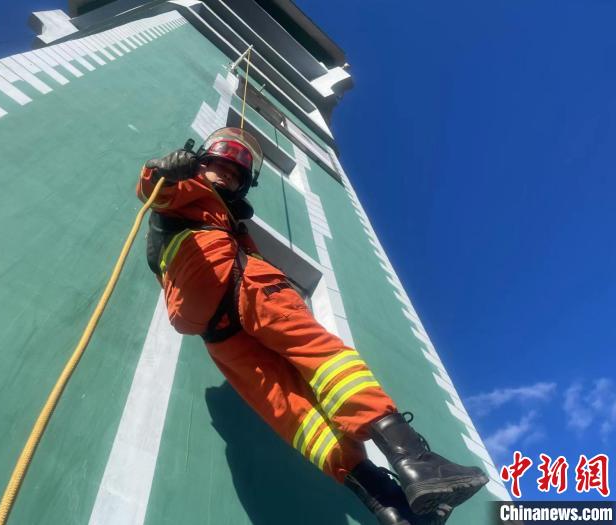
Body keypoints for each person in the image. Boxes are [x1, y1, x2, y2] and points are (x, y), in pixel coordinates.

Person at [136, 128, 488, 525]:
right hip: (243, 292)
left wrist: (166, 176)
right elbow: (156, 186)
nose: (227, 178)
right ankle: (416, 464)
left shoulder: (213, 218)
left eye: (236, 176)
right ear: (201, 162)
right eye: (221, 168)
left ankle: (389, 502)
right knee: (322, 361)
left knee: (291, 413)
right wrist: (165, 168)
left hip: (217, 328)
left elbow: (160, 195)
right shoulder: (190, 188)